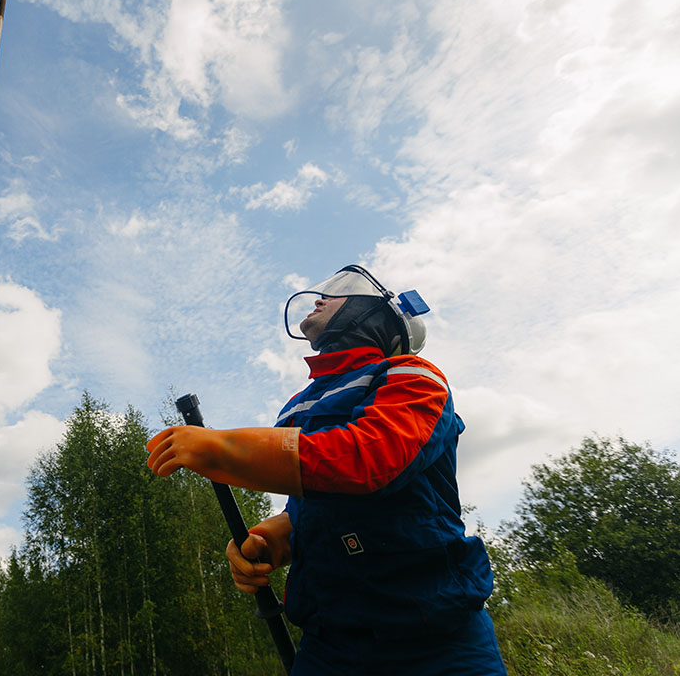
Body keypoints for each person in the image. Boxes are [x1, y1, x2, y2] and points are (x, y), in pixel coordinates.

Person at [146, 265, 506, 675]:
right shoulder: (301, 402)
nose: (319, 297)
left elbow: (366, 460)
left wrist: (224, 449)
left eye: (339, 293)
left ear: (378, 316)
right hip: (330, 644)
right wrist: (272, 539)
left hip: (437, 639)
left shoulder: (411, 376)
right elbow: (314, 501)